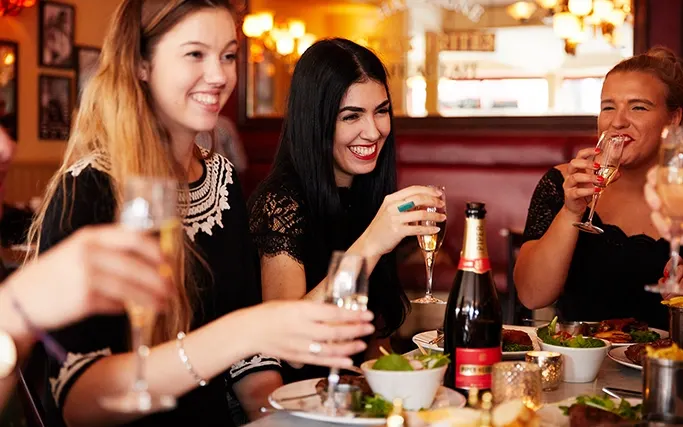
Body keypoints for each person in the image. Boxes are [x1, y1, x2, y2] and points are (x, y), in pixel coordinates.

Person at [25, 2, 373, 426]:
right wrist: (243, 331)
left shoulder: (221, 179)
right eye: (195, 54)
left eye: (228, 55)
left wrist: (274, 416)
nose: (219, 75)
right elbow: (77, 401)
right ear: (141, 64)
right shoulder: (88, 187)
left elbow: (250, 363)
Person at [248, 38, 446, 383]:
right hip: (301, 396)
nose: (373, 131)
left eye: (381, 111)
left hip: (353, 392)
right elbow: (288, 347)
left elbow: (374, 341)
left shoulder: (366, 192)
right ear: (316, 121)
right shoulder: (280, 203)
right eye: (351, 116)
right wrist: (371, 244)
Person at [514, 47, 683, 329]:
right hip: (579, 354)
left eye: (638, 107)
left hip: (668, 355)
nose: (618, 121)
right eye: (608, 107)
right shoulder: (562, 183)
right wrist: (571, 212)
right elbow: (532, 295)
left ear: (673, 118)